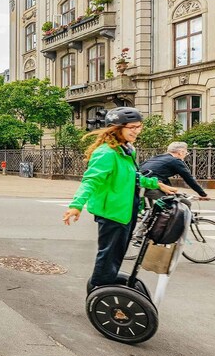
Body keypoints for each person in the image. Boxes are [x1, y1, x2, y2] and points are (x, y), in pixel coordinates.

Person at [62, 107, 176, 290]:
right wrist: (76, 205)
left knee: (116, 255)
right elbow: (90, 180)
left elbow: (133, 177)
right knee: (108, 257)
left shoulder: (126, 150)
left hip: (126, 211)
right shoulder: (106, 153)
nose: (137, 131)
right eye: (132, 127)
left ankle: (106, 287)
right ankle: (100, 292)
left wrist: (157, 184)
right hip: (112, 213)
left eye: (139, 127)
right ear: (116, 128)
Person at [140, 141, 209, 201]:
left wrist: (170, 188)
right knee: (181, 203)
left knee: (153, 209)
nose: (185, 155)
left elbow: (160, 175)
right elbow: (189, 179)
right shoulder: (176, 161)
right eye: (186, 153)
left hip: (140, 183)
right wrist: (203, 194)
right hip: (152, 185)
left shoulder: (157, 157)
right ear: (180, 152)